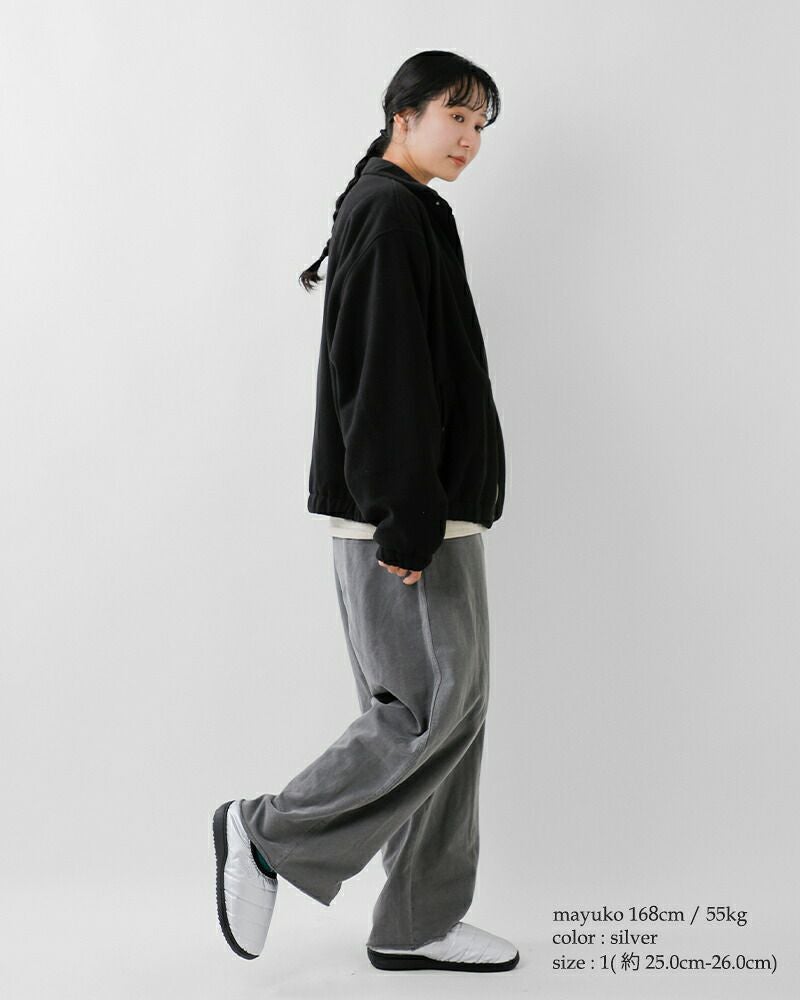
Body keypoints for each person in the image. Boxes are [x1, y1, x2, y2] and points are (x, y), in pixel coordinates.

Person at [212, 49, 516, 974]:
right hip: (407, 515)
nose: (469, 139)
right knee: (423, 713)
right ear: (403, 114)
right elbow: (381, 377)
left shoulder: (412, 207)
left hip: (432, 508)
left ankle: (417, 919)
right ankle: (268, 833)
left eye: (480, 125)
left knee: (451, 718)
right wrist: (404, 516)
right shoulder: (387, 210)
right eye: (456, 116)